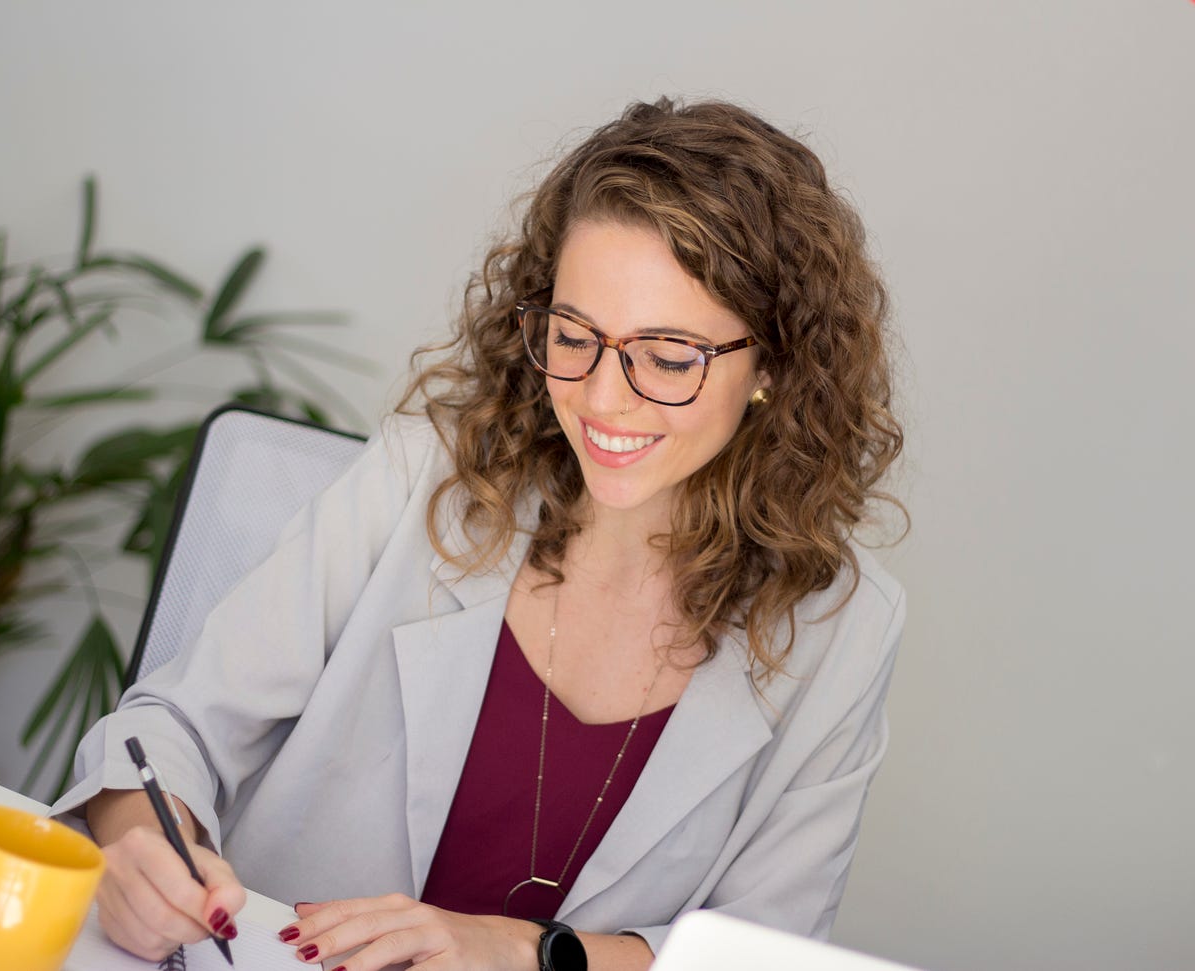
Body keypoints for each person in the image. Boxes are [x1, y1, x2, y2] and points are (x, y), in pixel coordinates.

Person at [51, 96, 907, 971]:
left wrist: (523, 953)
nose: (603, 398)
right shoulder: (423, 476)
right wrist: (138, 847)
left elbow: (760, 957)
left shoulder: (844, 628)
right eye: (574, 335)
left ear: (773, 364)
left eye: (668, 356)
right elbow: (173, 730)